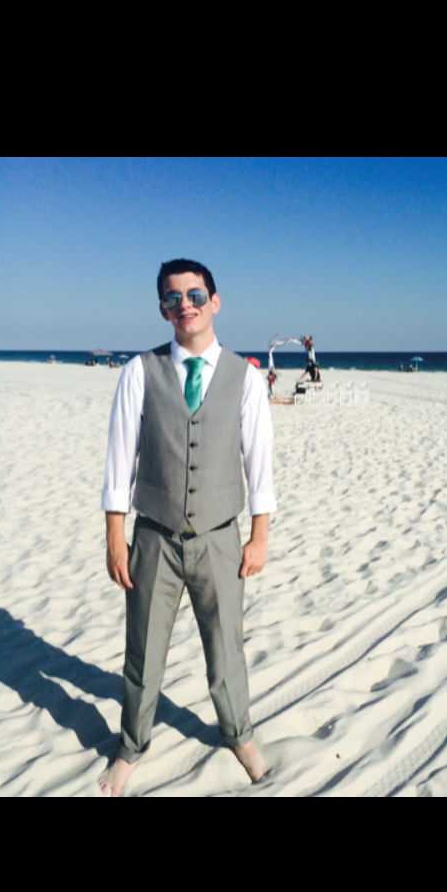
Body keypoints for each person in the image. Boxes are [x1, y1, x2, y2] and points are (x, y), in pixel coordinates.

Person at [99, 258, 276, 796]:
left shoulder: (245, 378)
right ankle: (131, 746)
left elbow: (259, 461)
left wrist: (259, 535)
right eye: (173, 298)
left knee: (226, 650)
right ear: (162, 309)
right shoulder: (139, 371)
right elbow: (120, 459)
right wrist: (115, 537)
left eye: (195, 295)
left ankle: (240, 735)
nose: (185, 306)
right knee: (143, 651)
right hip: (153, 536)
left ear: (214, 302)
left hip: (221, 538)